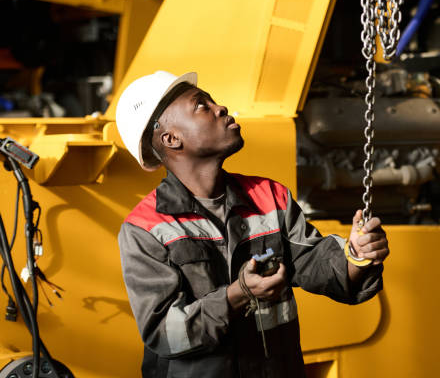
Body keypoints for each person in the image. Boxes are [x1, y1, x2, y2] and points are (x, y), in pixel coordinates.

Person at [115, 71, 390, 378]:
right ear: (171, 139)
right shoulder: (145, 228)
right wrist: (238, 293)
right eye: (201, 105)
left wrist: (356, 255)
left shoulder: (269, 197)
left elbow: (316, 264)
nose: (220, 108)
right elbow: (164, 333)